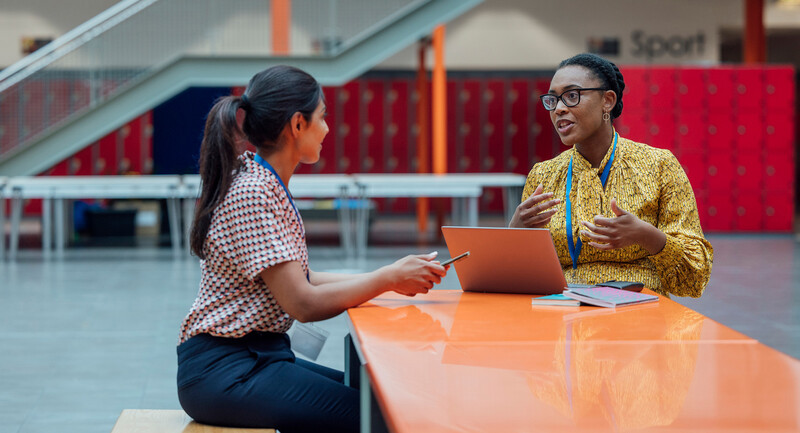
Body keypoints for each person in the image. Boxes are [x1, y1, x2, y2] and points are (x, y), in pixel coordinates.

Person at [177, 65, 448, 433]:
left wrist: (391, 277)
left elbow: (303, 279)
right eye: (322, 117)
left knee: (376, 397)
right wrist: (386, 278)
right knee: (380, 414)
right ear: (297, 125)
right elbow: (303, 303)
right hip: (226, 371)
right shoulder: (253, 193)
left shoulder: (263, 182)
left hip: (255, 358)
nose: (328, 128)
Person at [509, 53, 712, 297]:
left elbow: (695, 279)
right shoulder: (544, 175)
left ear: (607, 100)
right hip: (564, 313)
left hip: (641, 314)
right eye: (553, 100)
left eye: (571, 96)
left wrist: (648, 236)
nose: (559, 108)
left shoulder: (659, 165)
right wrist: (516, 232)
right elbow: (522, 278)